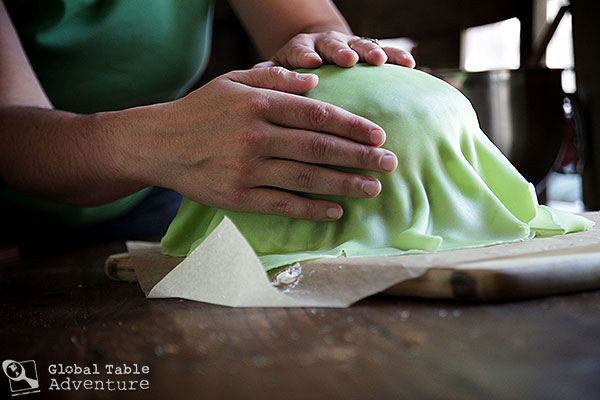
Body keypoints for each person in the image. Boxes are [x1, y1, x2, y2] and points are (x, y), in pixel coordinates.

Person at [0, 0, 415, 247]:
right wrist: (167, 143)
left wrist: (320, 48)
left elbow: (306, 23)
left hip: (150, 193)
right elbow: (10, 136)